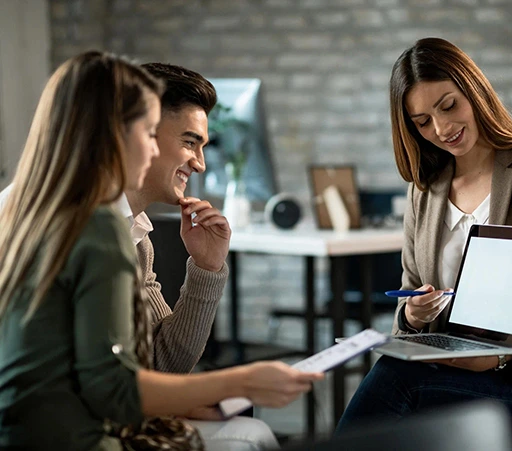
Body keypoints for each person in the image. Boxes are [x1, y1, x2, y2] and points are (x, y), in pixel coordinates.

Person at [0, 51, 322, 451]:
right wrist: (241, 381)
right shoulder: (96, 227)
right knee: (249, 436)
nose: (200, 164)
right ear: (112, 132)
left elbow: (154, 364)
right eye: (147, 131)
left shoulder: (116, 227)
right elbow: (114, 387)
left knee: (248, 433)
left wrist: (206, 267)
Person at [334, 38, 512, 451]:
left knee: (397, 383)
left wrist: (501, 356)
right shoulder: (424, 191)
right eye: (422, 121)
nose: (441, 129)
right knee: (398, 379)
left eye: (448, 106)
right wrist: (414, 314)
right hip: (459, 374)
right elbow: (407, 299)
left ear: (474, 90)